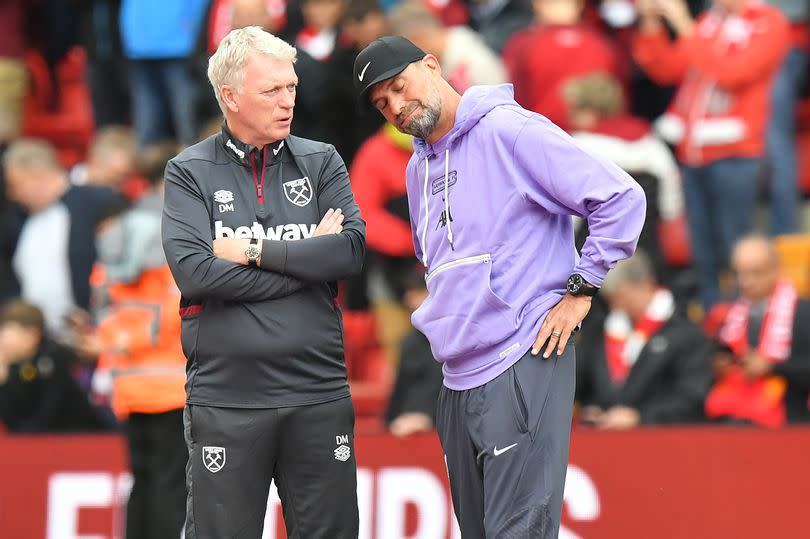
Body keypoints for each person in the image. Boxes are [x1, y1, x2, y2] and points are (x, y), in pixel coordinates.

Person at [355, 36, 645, 538]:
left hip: (522, 355)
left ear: (431, 64)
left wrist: (582, 289)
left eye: (400, 88)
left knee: (518, 532)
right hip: (456, 376)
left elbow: (621, 198)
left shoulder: (509, 129)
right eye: (382, 104)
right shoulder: (415, 168)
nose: (397, 108)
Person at [162, 27, 365, 538]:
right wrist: (305, 264)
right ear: (230, 96)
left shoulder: (321, 160)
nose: (288, 101)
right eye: (271, 91)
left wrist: (256, 253)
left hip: (318, 392)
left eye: (291, 87)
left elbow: (350, 251)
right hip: (228, 398)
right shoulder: (188, 172)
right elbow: (196, 272)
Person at [633, 0, 790, 310]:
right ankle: (711, 324)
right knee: (702, 251)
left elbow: (731, 73)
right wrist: (651, 24)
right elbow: (668, 70)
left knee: (736, 248)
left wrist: (684, 25)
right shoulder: (709, 22)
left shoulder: (770, 23)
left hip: (735, 153)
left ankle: (745, 324)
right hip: (695, 154)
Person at [576, 252, 712, 429]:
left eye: (622, 296)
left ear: (646, 283)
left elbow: (691, 397)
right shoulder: (599, 331)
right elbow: (583, 384)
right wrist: (592, 409)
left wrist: (640, 417)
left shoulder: (686, 333)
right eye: (612, 299)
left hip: (661, 440)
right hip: (605, 439)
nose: (617, 306)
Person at [706, 235, 810, 427]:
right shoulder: (726, 315)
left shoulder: (804, 313)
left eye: (756, 273)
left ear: (776, 269)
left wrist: (772, 367)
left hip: (790, 424)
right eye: (740, 274)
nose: (746, 282)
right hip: (734, 420)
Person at [0, 299, 108, 433]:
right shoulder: (14, 366)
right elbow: (13, 423)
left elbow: (46, 420)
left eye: (10, 334)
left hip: (89, 440)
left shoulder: (55, 360)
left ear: (32, 335)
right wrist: (3, 383)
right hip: (47, 445)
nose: (4, 341)